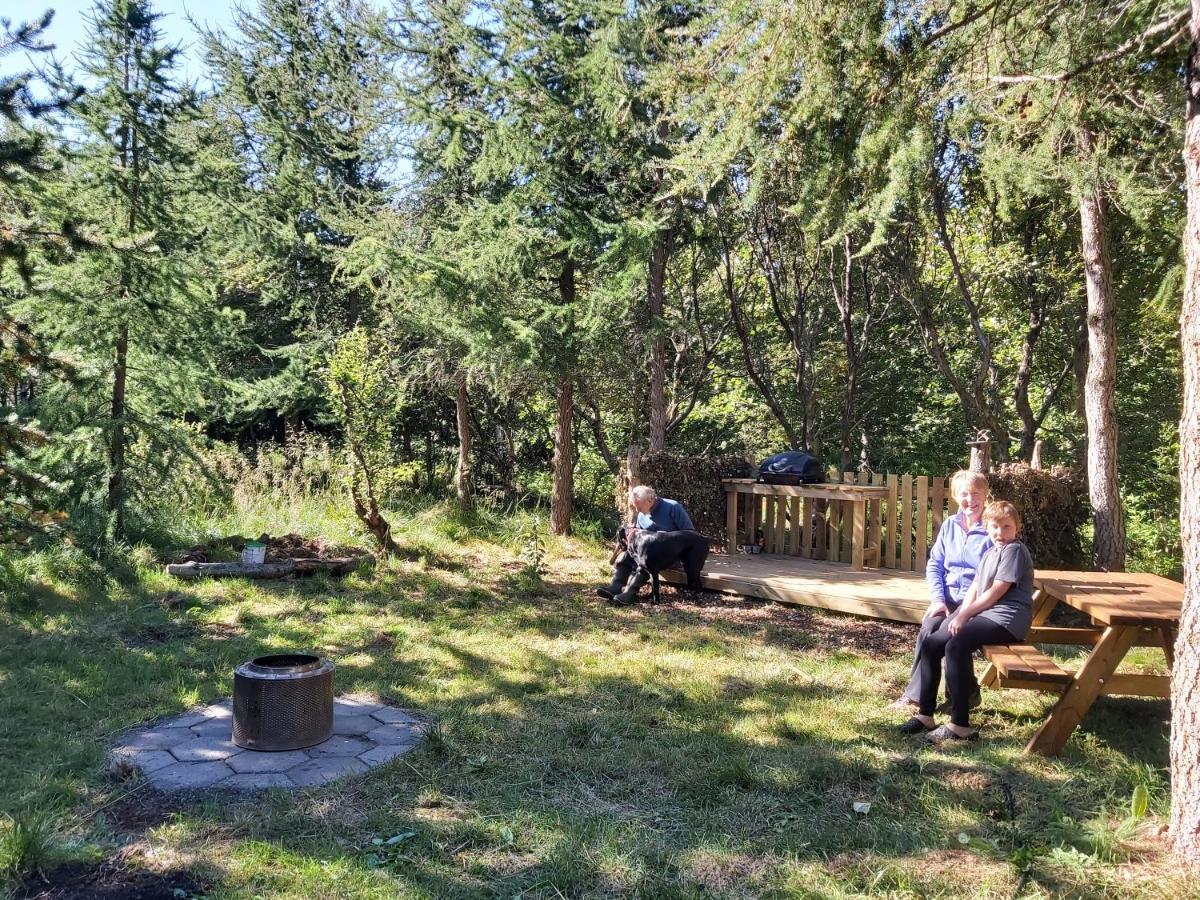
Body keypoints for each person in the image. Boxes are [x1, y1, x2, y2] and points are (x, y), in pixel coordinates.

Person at [899, 500, 1035, 743]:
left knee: (956, 645)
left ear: (1017, 528)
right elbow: (975, 586)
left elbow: (997, 591)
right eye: (994, 527)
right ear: (986, 527)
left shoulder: (1015, 551)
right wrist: (961, 613)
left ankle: (960, 724)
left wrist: (963, 615)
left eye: (1006, 527)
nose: (1000, 533)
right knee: (932, 644)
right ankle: (925, 715)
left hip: (1007, 618)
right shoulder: (991, 551)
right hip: (984, 614)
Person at [888, 470, 992, 713]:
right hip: (948, 599)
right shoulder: (950, 525)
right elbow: (935, 564)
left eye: (976, 493)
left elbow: (990, 576)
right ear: (956, 497)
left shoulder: (991, 528)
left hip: (977, 603)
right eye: (964, 494)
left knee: (951, 633)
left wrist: (967, 609)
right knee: (928, 628)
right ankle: (916, 697)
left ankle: (963, 696)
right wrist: (937, 600)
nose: (970, 500)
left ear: (986, 494)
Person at [597, 485, 694, 601]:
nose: (637, 510)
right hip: (646, 550)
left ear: (650, 501)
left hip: (671, 555)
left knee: (646, 560)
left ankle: (630, 593)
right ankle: (616, 585)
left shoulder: (673, 508)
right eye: (635, 506)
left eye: (639, 506)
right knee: (629, 553)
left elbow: (690, 535)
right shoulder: (641, 512)